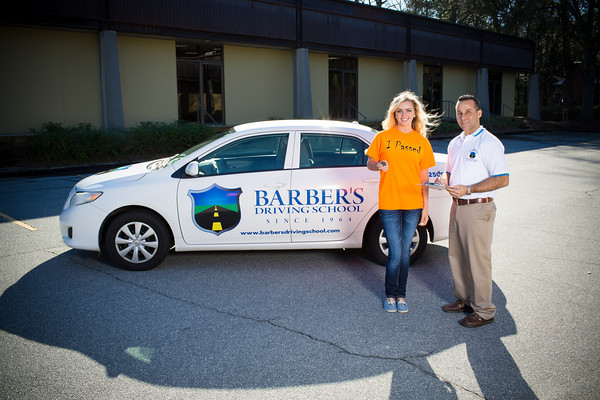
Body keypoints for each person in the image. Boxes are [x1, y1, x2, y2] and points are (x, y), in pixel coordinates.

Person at [436, 94, 509, 327]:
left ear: (479, 113)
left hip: (478, 208)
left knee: (478, 260)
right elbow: (451, 171)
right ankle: (465, 300)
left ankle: (485, 310)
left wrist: (468, 189)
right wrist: (443, 179)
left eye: (468, 111)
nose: (462, 116)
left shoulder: (489, 142)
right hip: (457, 207)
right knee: (457, 256)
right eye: (459, 112)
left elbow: (502, 179)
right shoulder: (456, 142)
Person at [366, 91, 438, 313]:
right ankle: (390, 295)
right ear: (394, 114)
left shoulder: (421, 142)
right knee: (396, 254)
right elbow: (370, 162)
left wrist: (425, 208)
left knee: (405, 253)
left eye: (408, 110)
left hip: (413, 205)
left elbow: (424, 179)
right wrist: (378, 166)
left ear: (415, 113)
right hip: (389, 203)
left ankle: (401, 295)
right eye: (399, 111)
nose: (404, 114)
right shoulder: (383, 137)